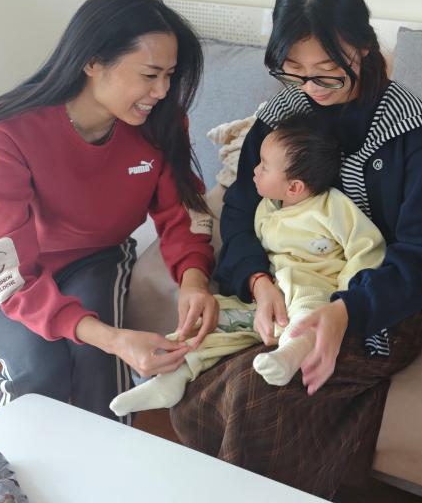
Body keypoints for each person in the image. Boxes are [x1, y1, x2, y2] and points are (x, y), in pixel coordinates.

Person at [171, 0, 422, 499]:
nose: (310, 89)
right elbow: (240, 209)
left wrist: (346, 310)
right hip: (284, 288)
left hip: (378, 305)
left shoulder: (411, 131)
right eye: (294, 73)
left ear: (365, 48)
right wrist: (258, 282)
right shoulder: (281, 116)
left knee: (256, 392)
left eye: (328, 73)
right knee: (196, 374)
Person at [0, 0, 218, 423]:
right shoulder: (6, 135)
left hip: (94, 259)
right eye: (150, 75)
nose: (162, 90)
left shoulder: (162, 123)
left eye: (170, 75)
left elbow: (183, 210)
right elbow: (12, 273)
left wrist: (194, 280)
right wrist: (113, 338)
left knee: (100, 375)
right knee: (41, 371)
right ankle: (13, 465)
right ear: (92, 61)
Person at [109, 115, 386, 416]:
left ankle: (291, 353)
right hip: (268, 300)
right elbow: (249, 249)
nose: (254, 169)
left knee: (306, 303)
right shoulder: (266, 209)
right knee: (215, 321)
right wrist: (260, 285)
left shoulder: (331, 206)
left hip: (315, 290)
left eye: (264, 166)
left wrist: (345, 295)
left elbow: (367, 248)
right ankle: (173, 378)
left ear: (294, 187)